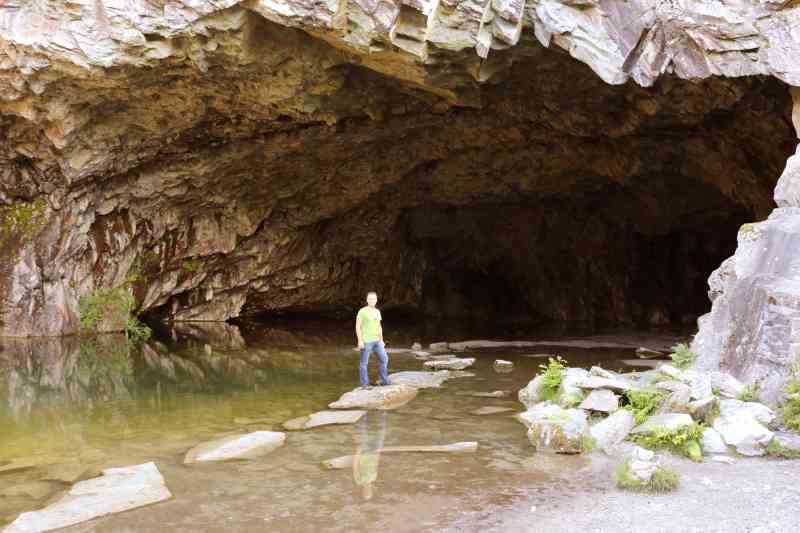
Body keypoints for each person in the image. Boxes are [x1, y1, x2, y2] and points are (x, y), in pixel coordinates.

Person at [355, 291, 389, 389]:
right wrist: (360, 340)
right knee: (364, 363)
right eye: (370, 299)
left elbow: (379, 326)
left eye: (374, 299)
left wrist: (382, 340)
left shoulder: (377, 311)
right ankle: (365, 384)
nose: (372, 300)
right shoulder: (362, 311)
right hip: (366, 341)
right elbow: (357, 326)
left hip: (377, 341)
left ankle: (384, 380)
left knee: (384, 359)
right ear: (367, 300)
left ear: (376, 300)